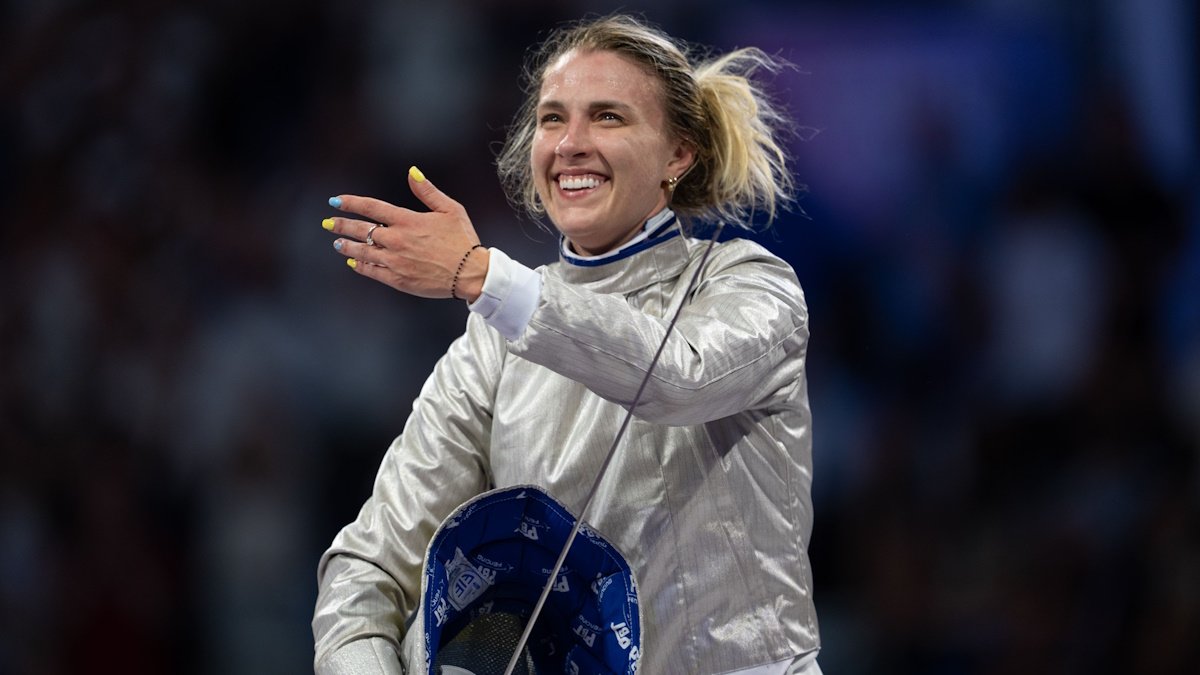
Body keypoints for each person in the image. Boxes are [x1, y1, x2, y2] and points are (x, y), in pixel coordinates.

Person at [313, 14, 820, 675]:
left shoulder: (749, 284)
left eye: (608, 117)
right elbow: (368, 568)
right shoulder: (493, 342)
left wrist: (484, 277)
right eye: (553, 119)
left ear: (678, 155)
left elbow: (676, 376)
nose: (571, 144)